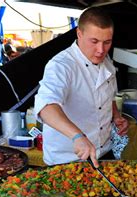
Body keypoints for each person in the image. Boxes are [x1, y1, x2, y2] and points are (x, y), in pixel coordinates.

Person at [34, 7, 128, 167]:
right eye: (94, 41)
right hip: (67, 160)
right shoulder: (61, 65)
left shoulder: (106, 62)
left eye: (107, 42)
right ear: (79, 34)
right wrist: (77, 136)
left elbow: (107, 96)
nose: (101, 50)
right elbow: (46, 107)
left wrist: (116, 116)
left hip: (104, 152)